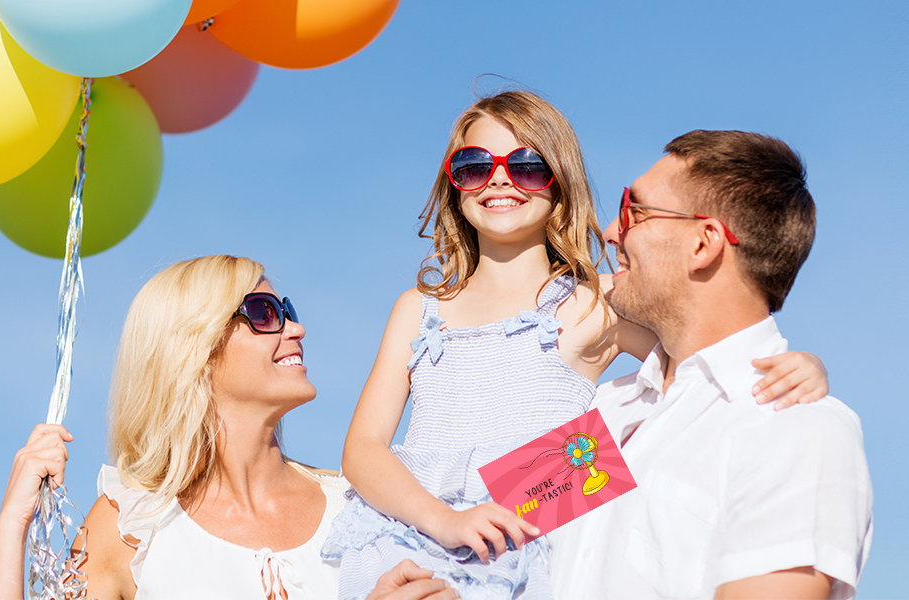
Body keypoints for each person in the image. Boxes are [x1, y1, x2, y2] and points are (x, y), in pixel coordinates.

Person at [323, 92, 833, 600]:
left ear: (560, 182)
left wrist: (795, 364)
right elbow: (363, 448)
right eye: (475, 165)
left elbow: (703, 355)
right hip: (409, 533)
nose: (498, 178)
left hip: (519, 538)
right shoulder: (418, 307)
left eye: (525, 166)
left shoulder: (600, 301)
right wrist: (445, 521)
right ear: (453, 183)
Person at [0, 256, 458, 600]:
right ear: (195, 350)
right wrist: (11, 528)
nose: (296, 329)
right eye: (264, 313)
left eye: (286, 310)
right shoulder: (130, 524)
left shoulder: (360, 507)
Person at [548, 131, 874, 599]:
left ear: (704, 243)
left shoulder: (797, 430)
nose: (610, 231)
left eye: (633, 210)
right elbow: (499, 530)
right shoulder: (609, 407)